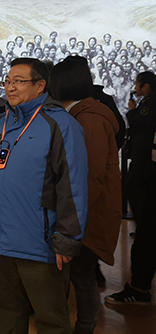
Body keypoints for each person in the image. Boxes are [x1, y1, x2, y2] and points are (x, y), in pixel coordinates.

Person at [0, 58, 88, 334]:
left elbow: (73, 185)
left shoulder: (60, 124)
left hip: (40, 245)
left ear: (40, 85)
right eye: (8, 81)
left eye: (19, 81)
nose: (11, 87)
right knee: (6, 314)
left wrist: (67, 239)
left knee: (50, 320)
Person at [49, 56, 121, 334]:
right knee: (79, 274)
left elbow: (90, 176)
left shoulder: (89, 119)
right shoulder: (80, 114)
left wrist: (71, 218)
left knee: (82, 275)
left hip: (88, 215)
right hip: (82, 212)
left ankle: (85, 327)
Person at [106, 71, 156, 305]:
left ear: (146, 86)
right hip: (145, 169)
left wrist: (133, 110)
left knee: (146, 236)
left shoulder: (149, 105)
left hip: (147, 171)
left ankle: (139, 289)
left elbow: (140, 124)